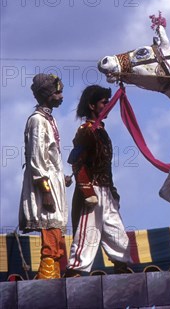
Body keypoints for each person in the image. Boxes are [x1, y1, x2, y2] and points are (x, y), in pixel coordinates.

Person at [66, 85, 131, 276]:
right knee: (88, 235)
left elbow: (105, 166)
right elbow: (77, 163)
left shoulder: (102, 130)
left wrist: (112, 191)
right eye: (104, 102)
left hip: (106, 190)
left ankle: (122, 267)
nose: (108, 105)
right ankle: (74, 272)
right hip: (92, 191)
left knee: (117, 233)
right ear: (92, 105)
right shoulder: (86, 131)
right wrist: (87, 192)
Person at [19, 73, 71, 279]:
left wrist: (62, 177)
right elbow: (37, 159)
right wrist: (46, 191)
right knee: (50, 229)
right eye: (58, 92)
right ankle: (47, 279)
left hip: (53, 183)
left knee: (57, 231)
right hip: (44, 186)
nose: (61, 96)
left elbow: (50, 157)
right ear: (47, 94)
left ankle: (53, 275)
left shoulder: (50, 119)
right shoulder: (38, 121)